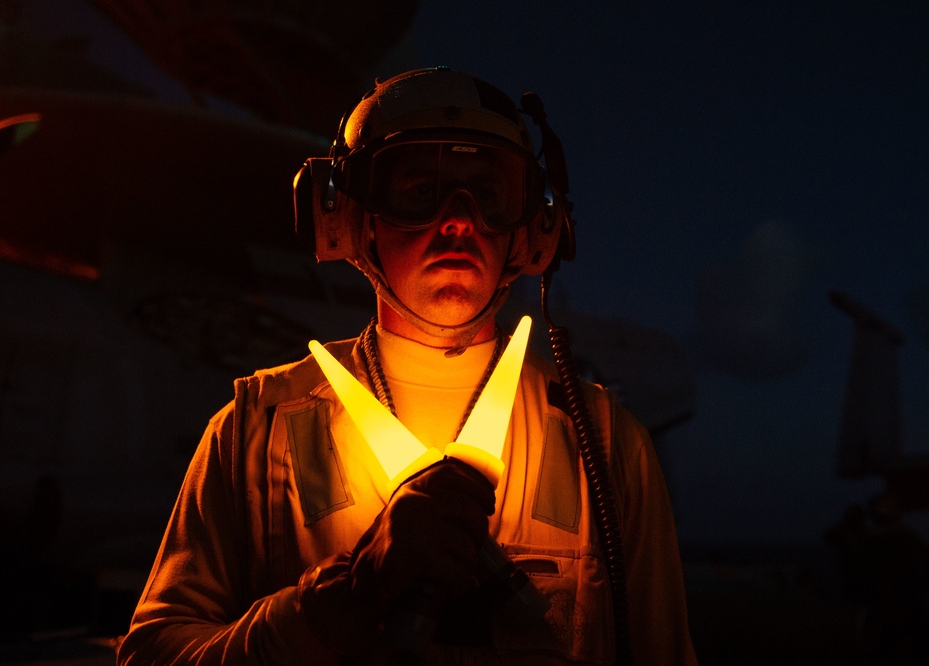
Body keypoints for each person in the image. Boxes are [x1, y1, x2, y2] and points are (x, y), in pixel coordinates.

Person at [116, 66, 697, 665]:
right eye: (421, 190)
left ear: (535, 228)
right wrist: (343, 594)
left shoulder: (604, 443)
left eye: (489, 194)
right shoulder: (256, 430)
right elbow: (151, 654)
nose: (459, 220)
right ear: (344, 215)